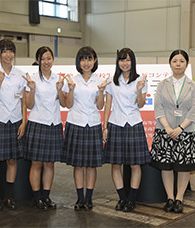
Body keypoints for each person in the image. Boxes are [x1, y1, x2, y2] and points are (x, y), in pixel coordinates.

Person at [150, 49, 195, 213]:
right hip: (165, 131)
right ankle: (170, 197)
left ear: (186, 64)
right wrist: (168, 128)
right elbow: (158, 108)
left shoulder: (194, 87)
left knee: (184, 167)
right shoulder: (162, 84)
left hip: (185, 132)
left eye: (182, 61)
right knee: (166, 166)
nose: (178, 64)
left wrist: (179, 129)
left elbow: (194, 111)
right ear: (170, 63)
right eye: (175, 61)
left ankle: (179, 198)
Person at [102, 48, 151, 212]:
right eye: (121, 60)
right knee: (115, 165)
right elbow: (108, 104)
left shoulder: (140, 80)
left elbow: (141, 104)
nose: (124, 63)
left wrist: (139, 89)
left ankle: (131, 199)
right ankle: (122, 198)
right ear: (118, 62)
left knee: (135, 165)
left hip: (133, 123)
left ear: (133, 61)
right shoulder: (111, 81)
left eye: (127, 60)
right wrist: (105, 126)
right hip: (116, 124)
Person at [62, 46, 109, 211]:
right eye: (83, 59)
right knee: (78, 165)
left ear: (95, 60)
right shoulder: (72, 80)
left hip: (93, 124)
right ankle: (79, 198)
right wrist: (72, 89)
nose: (86, 62)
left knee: (91, 165)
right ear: (78, 62)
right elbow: (68, 105)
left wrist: (102, 92)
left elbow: (100, 106)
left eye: (89, 59)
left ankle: (89, 198)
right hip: (76, 123)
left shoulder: (99, 81)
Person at [0, 39, 27, 211]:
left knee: (12, 160)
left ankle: (9, 196)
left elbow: (23, 101)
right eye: (4, 51)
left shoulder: (20, 74)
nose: (8, 54)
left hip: (15, 121)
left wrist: (24, 121)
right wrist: (0, 80)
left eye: (11, 51)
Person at [22, 46, 66, 210]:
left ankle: (46, 196)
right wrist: (32, 89)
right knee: (36, 163)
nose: (46, 62)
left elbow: (63, 103)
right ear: (37, 60)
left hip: (53, 124)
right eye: (42, 59)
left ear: (53, 60)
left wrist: (60, 89)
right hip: (37, 123)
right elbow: (29, 104)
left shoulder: (58, 79)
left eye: (49, 58)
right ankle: (36, 197)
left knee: (49, 164)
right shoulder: (32, 79)